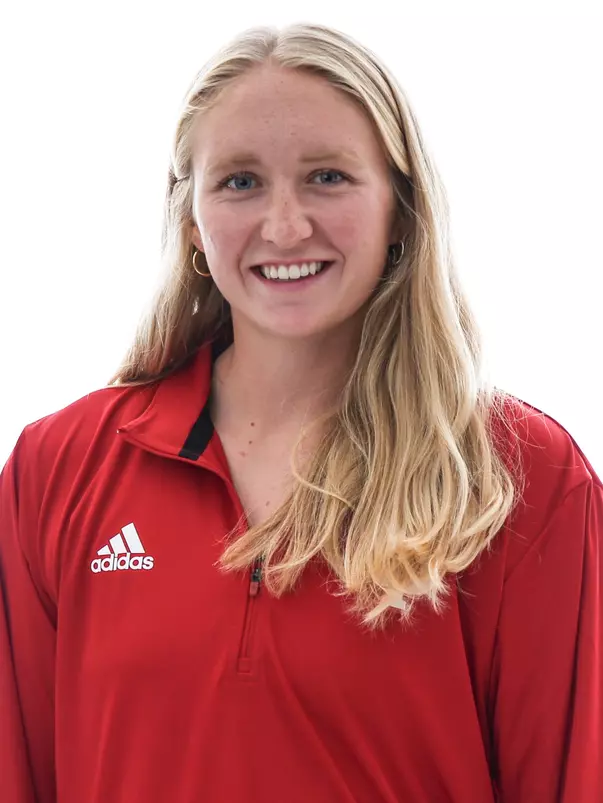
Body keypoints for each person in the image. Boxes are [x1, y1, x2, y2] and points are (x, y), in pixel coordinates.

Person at [0, 21, 601, 803]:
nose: (285, 226)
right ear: (191, 222)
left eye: (327, 177)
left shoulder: (518, 476)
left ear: (400, 208)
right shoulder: (59, 468)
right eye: (240, 181)